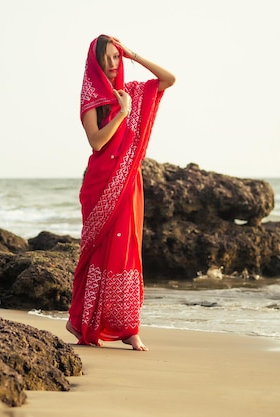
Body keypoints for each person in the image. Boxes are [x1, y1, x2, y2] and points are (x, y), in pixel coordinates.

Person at [66, 34, 175, 351]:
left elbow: (168, 79)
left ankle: (128, 327)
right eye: (108, 58)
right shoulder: (92, 100)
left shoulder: (134, 92)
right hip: (101, 184)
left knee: (127, 250)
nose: (113, 64)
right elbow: (97, 142)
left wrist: (135, 55)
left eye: (117, 57)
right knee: (99, 252)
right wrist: (122, 113)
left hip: (128, 183)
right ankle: (84, 321)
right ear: (96, 62)